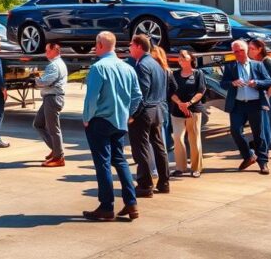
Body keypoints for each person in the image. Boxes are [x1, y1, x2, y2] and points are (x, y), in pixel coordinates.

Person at [82, 31, 143, 222]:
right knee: (120, 160)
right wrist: (129, 114)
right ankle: (131, 203)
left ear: (100, 45)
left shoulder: (98, 68)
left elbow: (92, 97)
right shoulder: (128, 68)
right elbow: (138, 96)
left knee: (103, 163)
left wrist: (86, 117)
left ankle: (106, 206)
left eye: (95, 44)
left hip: (100, 120)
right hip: (120, 121)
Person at [221, 39, 271, 175]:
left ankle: (263, 162)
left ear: (247, 51)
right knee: (235, 131)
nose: (238, 53)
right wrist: (232, 83)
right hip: (238, 104)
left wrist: (256, 82)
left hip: (255, 103)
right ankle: (249, 155)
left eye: (241, 50)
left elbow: (268, 81)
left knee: (259, 134)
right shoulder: (230, 66)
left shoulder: (257, 65)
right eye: (235, 51)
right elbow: (223, 84)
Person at [127, 34, 170, 197]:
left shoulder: (143, 65)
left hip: (145, 112)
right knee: (158, 146)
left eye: (131, 45)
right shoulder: (156, 63)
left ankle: (145, 185)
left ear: (139, 46)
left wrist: (133, 114)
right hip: (157, 110)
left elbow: (141, 93)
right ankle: (164, 182)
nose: (129, 48)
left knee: (141, 148)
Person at [167, 49, 206, 177]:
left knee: (194, 139)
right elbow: (170, 92)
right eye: (179, 57)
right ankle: (180, 167)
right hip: (177, 111)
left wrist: (188, 104)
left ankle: (196, 168)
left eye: (183, 56)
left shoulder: (198, 73)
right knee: (178, 137)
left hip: (193, 111)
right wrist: (180, 103)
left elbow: (201, 91)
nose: (181, 59)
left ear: (191, 59)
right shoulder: (174, 74)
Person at [33, 40, 68, 167]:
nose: (46, 52)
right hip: (50, 97)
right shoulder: (57, 64)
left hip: (52, 98)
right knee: (38, 123)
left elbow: (45, 82)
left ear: (55, 50)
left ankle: (59, 157)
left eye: (48, 50)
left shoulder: (54, 65)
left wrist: (37, 79)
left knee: (53, 129)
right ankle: (56, 149)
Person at [250, 39, 271, 160]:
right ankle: (264, 148)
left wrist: (267, 97)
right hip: (259, 96)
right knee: (261, 124)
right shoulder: (254, 62)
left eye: (252, 49)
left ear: (260, 49)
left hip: (270, 96)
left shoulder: (268, 62)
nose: (249, 51)